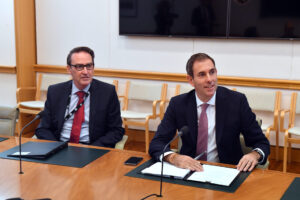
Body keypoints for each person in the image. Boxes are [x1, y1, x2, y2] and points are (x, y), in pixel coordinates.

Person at [149, 53, 270, 172]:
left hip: (227, 171)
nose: (210, 79)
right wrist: (174, 158)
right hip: (190, 172)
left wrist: (254, 155)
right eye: (202, 75)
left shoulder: (237, 102)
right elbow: (158, 142)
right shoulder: (178, 104)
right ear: (191, 80)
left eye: (212, 72)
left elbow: (261, 142)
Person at [35, 46, 124, 148]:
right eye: (79, 67)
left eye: (89, 66)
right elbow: (43, 128)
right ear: (69, 69)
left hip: (92, 148)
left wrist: (94, 149)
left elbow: (116, 130)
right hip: (60, 146)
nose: (86, 72)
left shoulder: (107, 92)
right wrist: (56, 147)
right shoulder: (55, 92)